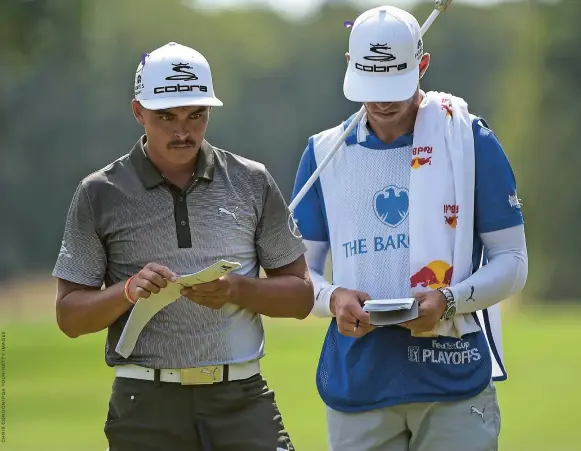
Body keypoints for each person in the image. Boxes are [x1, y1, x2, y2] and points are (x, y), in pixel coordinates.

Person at [53, 41, 313, 451]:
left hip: (241, 397)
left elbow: (300, 297)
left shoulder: (251, 180)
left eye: (196, 115)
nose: (182, 131)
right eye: (166, 116)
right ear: (138, 111)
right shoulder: (99, 193)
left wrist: (236, 289)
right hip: (145, 405)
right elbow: (69, 317)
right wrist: (126, 291)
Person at [291, 5, 528, 451]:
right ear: (349, 66)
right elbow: (300, 273)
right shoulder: (323, 153)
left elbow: (513, 261)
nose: (382, 101)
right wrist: (333, 299)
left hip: (450, 373)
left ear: (422, 64)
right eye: (370, 84)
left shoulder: (470, 140)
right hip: (359, 380)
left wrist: (449, 300)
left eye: (396, 83)